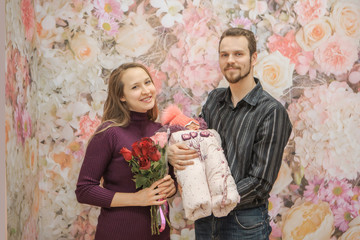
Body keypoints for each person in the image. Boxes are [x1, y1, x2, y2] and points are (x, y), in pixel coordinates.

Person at [167, 27, 292, 240]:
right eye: (224, 55)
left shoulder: (271, 112)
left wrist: (213, 198)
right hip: (206, 221)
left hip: (244, 223)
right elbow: (197, 147)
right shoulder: (214, 100)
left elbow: (260, 183)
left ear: (254, 58)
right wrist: (172, 153)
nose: (230, 60)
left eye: (238, 54)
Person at [75, 62, 176, 240]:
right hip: (118, 233)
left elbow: (172, 180)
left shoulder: (162, 131)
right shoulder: (109, 133)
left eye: (147, 82)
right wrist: (137, 199)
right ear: (121, 95)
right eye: (135, 87)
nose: (146, 91)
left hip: (158, 234)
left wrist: (172, 187)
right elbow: (84, 190)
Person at [160, 104, 240, 221]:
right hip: (191, 160)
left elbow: (216, 140)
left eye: (194, 124)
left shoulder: (207, 134)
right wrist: (165, 152)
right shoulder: (177, 137)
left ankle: (223, 197)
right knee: (193, 176)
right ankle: (200, 202)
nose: (193, 127)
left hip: (210, 156)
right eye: (188, 125)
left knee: (217, 171)